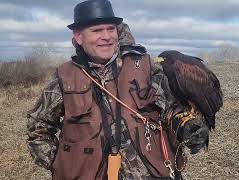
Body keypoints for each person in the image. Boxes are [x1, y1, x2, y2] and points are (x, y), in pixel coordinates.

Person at [27, 0, 209, 179]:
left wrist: (185, 126)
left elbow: (171, 108)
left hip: (150, 173)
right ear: (79, 37)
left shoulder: (145, 65)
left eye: (111, 29)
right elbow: (38, 127)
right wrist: (61, 164)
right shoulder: (64, 76)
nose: (106, 36)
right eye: (97, 30)